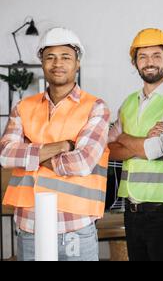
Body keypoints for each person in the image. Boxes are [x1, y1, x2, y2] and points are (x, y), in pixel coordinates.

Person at [1, 27, 110, 261]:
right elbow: (5, 155)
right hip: (31, 226)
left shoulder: (95, 107)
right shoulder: (23, 107)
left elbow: (82, 163)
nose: (57, 63)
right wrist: (63, 146)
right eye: (50, 57)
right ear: (42, 62)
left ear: (77, 63)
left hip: (76, 227)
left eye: (65, 57)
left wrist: (32, 153)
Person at [108, 28, 163, 261]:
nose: (149, 62)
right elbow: (110, 150)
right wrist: (139, 143)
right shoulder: (129, 102)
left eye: (156, 56)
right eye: (142, 57)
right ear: (135, 63)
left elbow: (158, 149)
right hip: (131, 209)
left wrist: (123, 137)